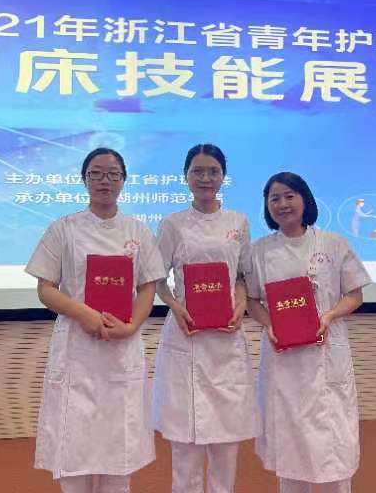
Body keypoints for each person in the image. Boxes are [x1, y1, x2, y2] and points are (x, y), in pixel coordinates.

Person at [25, 147, 166, 493]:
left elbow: (148, 287)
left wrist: (131, 327)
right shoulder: (64, 229)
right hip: (78, 347)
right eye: (97, 174)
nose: (105, 181)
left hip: (121, 347)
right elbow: (46, 289)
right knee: (74, 442)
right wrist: (84, 314)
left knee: (119, 446)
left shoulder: (138, 231)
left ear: (124, 180)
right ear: (84, 179)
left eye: (113, 174)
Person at [245, 172, 371, 493]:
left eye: (290, 196)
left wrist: (329, 315)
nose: (282, 204)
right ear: (266, 205)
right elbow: (252, 301)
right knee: (290, 444)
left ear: (305, 199)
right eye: (274, 198)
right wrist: (270, 324)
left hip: (326, 353)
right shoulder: (259, 251)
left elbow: (354, 295)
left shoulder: (332, 243)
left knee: (334, 444)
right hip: (284, 357)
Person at [152, 144, 260, 493]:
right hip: (186, 334)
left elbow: (242, 275)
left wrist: (240, 304)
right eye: (197, 171)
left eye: (213, 171)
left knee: (226, 442)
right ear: (185, 176)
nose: (205, 178)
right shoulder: (172, 224)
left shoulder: (238, 222)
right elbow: (155, 278)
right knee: (185, 445)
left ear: (223, 176)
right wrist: (174, 305)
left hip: (226, 336)